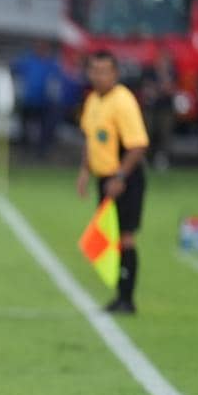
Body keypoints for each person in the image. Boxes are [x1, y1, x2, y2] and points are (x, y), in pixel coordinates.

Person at [76, 50, 149, 314]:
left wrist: (120, 176)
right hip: (104, 177)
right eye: (94, 70)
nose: (98, 76)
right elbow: (90, 138)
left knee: (126, 237)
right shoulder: (93, 100)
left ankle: (127, 298)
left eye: (104, 71)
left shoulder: (123, 101)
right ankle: (119, 294)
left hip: (125, 178)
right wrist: (85, 171)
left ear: (115, 74)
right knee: (111, 237)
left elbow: (138, 145)